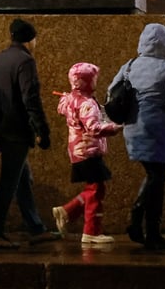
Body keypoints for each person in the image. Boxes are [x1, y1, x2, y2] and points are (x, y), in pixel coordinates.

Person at [0, 18, 58, 249]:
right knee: (8, 182)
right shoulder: (25, 62)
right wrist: (41, 130)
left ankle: (35, 228)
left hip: (1, 129)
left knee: (22, 179)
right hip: (16, 131)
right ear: (30, 40)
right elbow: (30, 98)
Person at [108, 22, 165, 250]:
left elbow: (112, 91)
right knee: (157, 177)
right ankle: (142, 222)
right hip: (156, 128)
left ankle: (148, 230)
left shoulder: (129, 65)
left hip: (132, 127)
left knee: (153, 175)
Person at [52, 62, 123, 245]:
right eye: (94, 79)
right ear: (86, 81)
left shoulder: (69, 100)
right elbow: (94, 127)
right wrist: (115, 128)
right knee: (96, 190)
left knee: (93, 188)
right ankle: (91, 231)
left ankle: (67, 211)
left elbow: (62, 109)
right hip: (89, 150)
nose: (96, 82)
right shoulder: (87, 103)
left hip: (77, 151)